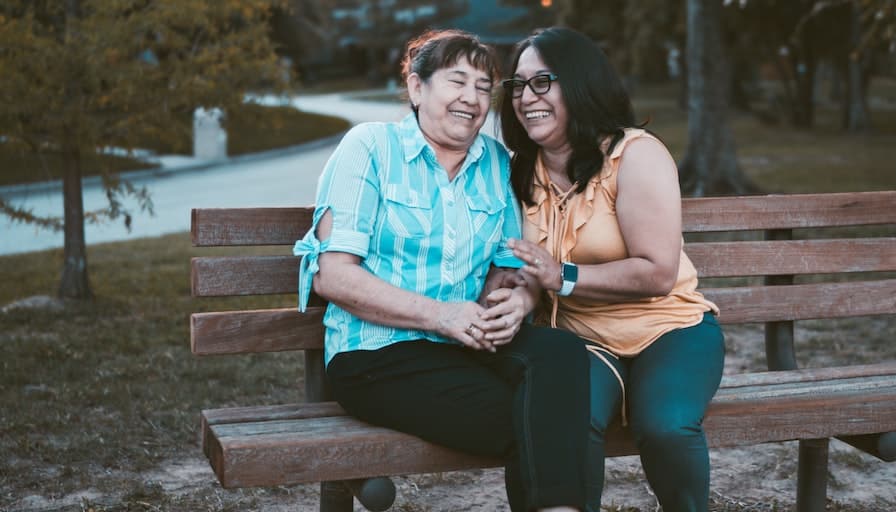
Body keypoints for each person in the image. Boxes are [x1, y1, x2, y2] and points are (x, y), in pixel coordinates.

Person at [293, 29, 589, 512]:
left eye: (482, 86)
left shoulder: (495, 162)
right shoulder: (369, 148)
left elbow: (508, 266)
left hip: (464, 345)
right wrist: (439, 315)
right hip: (376, 356)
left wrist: (515, 299)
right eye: (457, 81)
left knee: (560, 353)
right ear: (416, 88)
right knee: (539, 419)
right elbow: (333, 275)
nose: (471, 99)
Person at [498, 27, 726, 512]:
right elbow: (522, 267)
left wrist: (564, 276)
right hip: (580, 340)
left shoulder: (634, 155)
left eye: (542, 82)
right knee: (562, 422)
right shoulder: (518, 171)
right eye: (517, 85)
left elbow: (658, 272)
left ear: (579, 83)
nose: (525, 97)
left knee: (665, 426)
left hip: (669, 331)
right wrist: (518, 292)